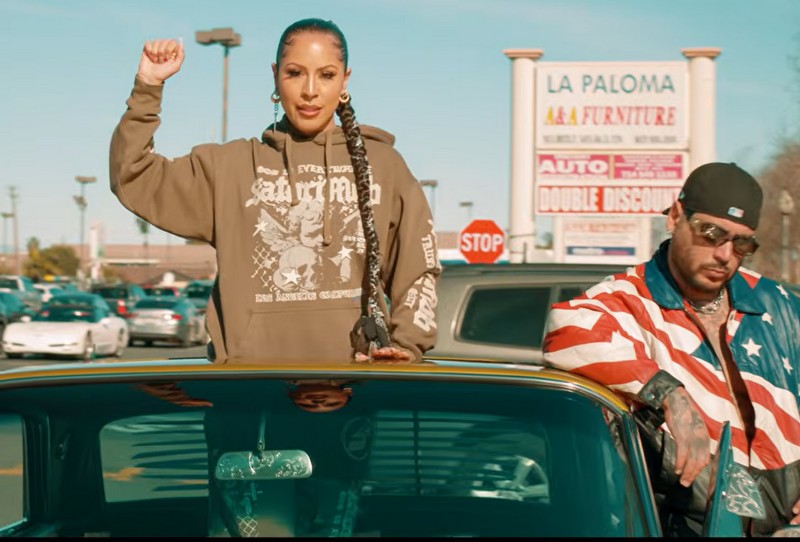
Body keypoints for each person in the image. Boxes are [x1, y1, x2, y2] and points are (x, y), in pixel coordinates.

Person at [109, 18, 440, 365]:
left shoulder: (382, 165)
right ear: (275, 76)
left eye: (326, 75)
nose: (310, 90)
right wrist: (148, 87)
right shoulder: (229, 167)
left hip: (351, 391)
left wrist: (407, 345)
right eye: (295, 73)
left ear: (345, 80)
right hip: (248, 393)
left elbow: (419, 267)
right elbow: (132, 174)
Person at [542, 162, 800, 537]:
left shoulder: (778, 304)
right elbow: (566, 330)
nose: (725, 255)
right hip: (682, 526)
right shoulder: (629, 298)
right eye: (711, 233)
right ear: (676, 216)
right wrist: (670, 394)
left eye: (742, 243)